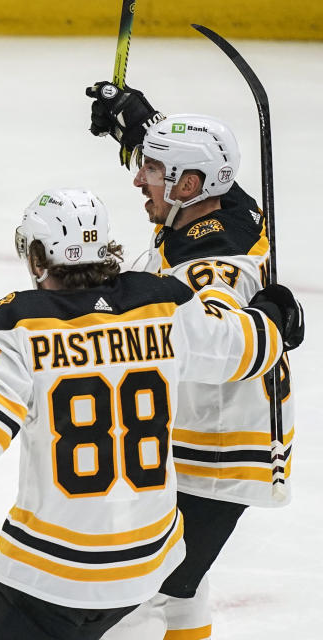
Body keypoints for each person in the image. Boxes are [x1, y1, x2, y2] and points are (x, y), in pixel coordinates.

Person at [0, 187, 304, 640]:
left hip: (52, 576)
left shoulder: (16, 325)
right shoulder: (165, 305)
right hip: (146, 569)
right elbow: (244, 348)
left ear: (38, 258)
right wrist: (272, 313)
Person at [85, 82, 300, 639]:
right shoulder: (227, 208)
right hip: (207, 437)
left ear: (190, 184)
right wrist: (141, 124)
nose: (138, 178)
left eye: (152, 168)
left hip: (219, 452)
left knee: (135, 597)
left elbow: (214, 346)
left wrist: (269, 325)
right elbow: (206, 172)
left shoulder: (210, 263)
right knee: (182, 594)